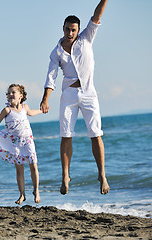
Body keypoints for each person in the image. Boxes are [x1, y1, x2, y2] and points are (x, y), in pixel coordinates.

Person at [40, 0, 110, 195]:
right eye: (67, 29)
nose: (70, 33)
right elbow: (51, 77)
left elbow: (97, 16)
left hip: (89, 94)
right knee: (66, 136)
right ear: (62, 29)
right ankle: (65, 176)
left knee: (96, 134)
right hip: (69, 95)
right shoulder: (56, 52)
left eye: (73, 30)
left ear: (78, 30)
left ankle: (102, 175)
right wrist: (46, 98)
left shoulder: (86, 38)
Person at [0, 84, 42, 205]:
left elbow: (31, 113)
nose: (10, 95)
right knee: (20, 170)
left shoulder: (25, 107)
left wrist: (41, 110)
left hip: (28, 141)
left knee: (33, 165)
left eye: (13, 92)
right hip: (15, 144)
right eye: (8, 93)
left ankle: (36, 191)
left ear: (21, 96)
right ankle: (22, 194)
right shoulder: (7, 110)